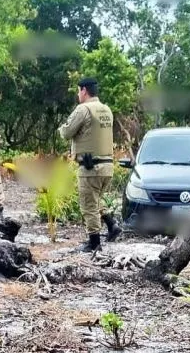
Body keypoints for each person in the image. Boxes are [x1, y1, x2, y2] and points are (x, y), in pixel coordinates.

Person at [58, 77, 122, 252]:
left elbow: (67, 132)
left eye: (79, 91)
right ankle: (112, 225)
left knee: (88, 205)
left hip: (90, 167)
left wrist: (61, 129)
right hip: (107, 166)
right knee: (96, 200)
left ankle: (94, 242)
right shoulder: (106, 110)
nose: (78, 94)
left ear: (84, 90)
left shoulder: (83, 109)